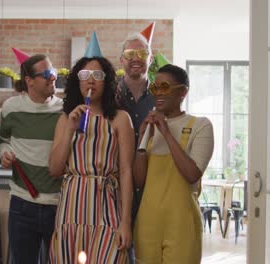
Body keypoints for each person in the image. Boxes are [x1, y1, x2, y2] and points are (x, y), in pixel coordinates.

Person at [49, 55, 134, 263]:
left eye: (98, 75)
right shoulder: (65, 119)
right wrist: (70, 127)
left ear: (107, 81)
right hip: (71, 210)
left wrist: (125, 222)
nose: (91, 80)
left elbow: (125, 172)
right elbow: (54, 169)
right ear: (77, 81)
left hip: (107, 209)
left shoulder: (121, 119)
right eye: (85, 75)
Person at [133, 64, 214, 263]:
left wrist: (167, 133)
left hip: (182, 226)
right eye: (155, 88)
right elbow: (138, 180)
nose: (158, 93)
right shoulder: (150, 129)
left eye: (165, 87)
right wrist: (142, 139)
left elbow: (192, 174)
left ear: (183, 92)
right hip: (148, 224)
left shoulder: (200, 126)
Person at [0, 53, 63, 263]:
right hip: (22, 204)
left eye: (53, 72)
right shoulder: (11, 108)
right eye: (46, 74)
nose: (53, 77)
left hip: (59, 205)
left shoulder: (65, 111)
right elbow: (2, 141)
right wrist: (4, 154)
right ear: (29, 80)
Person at [117, 30, 156, 264]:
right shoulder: (109, 95)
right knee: (120, 250)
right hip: (115, 187)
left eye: (142, 53)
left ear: (150, 59)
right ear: (121, 59)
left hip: (153, 184)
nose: (136, 58)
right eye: (130, 53)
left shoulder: (162, 95)